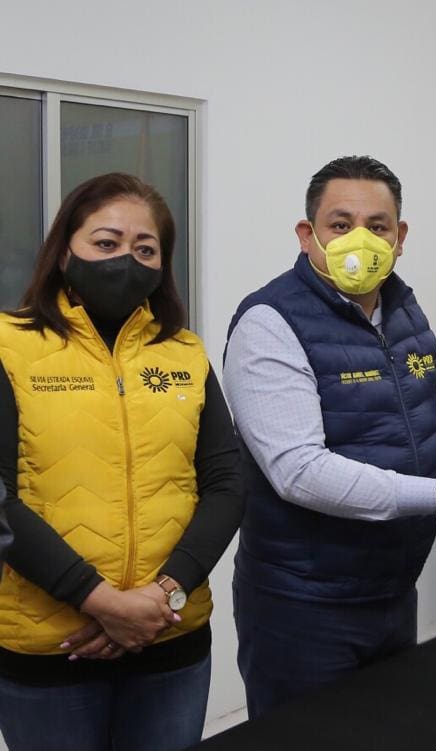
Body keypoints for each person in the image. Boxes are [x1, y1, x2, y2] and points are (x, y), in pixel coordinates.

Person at [224, 156, 436, 718]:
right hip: (304, 603)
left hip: (392, 591)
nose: (360, 240)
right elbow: (299, 471)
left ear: (400, 238)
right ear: (307, 235)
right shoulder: (270, 322)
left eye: (377, 226)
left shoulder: (403, 309)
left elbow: (427, 424)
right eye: (340, 224)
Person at [0, 173, 243, 751]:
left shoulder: (185, 353)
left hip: (170, 641)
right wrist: (101, 601)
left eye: (145, 249)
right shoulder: (9, 347)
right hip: (51, 651)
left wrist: (164, 596)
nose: (126, 261)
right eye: (106, 243)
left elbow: (227, 482)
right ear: (64, 252)